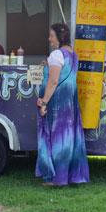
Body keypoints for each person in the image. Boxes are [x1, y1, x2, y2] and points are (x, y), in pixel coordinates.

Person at [35, 23, 89, 186]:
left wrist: (44, 101)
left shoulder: (56, 54)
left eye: (51, 35)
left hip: (57, 103)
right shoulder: (72, 54)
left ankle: (57, 178)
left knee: (57, 138)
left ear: (59, 36)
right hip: (69, 103)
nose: (49, 39)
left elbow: (53, 81)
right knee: (68, 137)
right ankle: (68, 176)